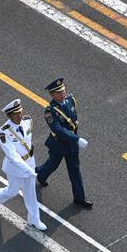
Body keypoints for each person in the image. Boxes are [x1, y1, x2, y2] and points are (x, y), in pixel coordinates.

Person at [35, 77, 93, 209]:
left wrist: (75, 138)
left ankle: (79, 198)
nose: (62, 94)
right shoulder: (50, 111)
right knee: (52, 165)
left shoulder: (70, 100)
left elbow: (73, 121)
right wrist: (76, 139)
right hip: (58, 144)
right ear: (52, 94)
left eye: (63, 90)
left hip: (72, 144)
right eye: (58, 92)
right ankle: (41, 175)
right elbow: (57, 129)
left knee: (75, 171)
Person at [0, 99, 46, 231]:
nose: (20, 116)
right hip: (16, 167)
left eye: (20, 112)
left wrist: (30, 167)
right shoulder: (4, 132)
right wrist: (27, 169)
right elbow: (12, 154)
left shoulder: (27, 121)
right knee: (13, 191)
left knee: (30, 192)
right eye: (16, 114)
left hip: (30, 161)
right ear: (9, 116)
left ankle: (34, 219)